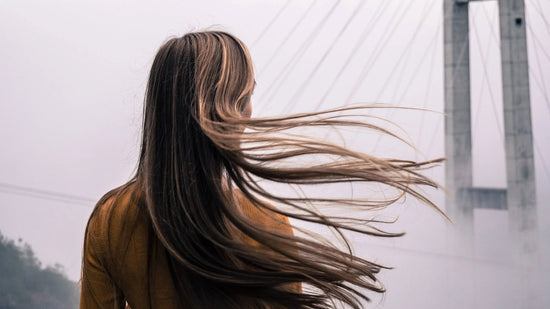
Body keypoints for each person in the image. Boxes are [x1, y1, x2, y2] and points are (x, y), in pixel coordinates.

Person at [80, 30, 442, 309]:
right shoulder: (266, 224)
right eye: (246, 95)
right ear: (222, 108)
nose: (251, 111)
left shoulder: (110, 219)